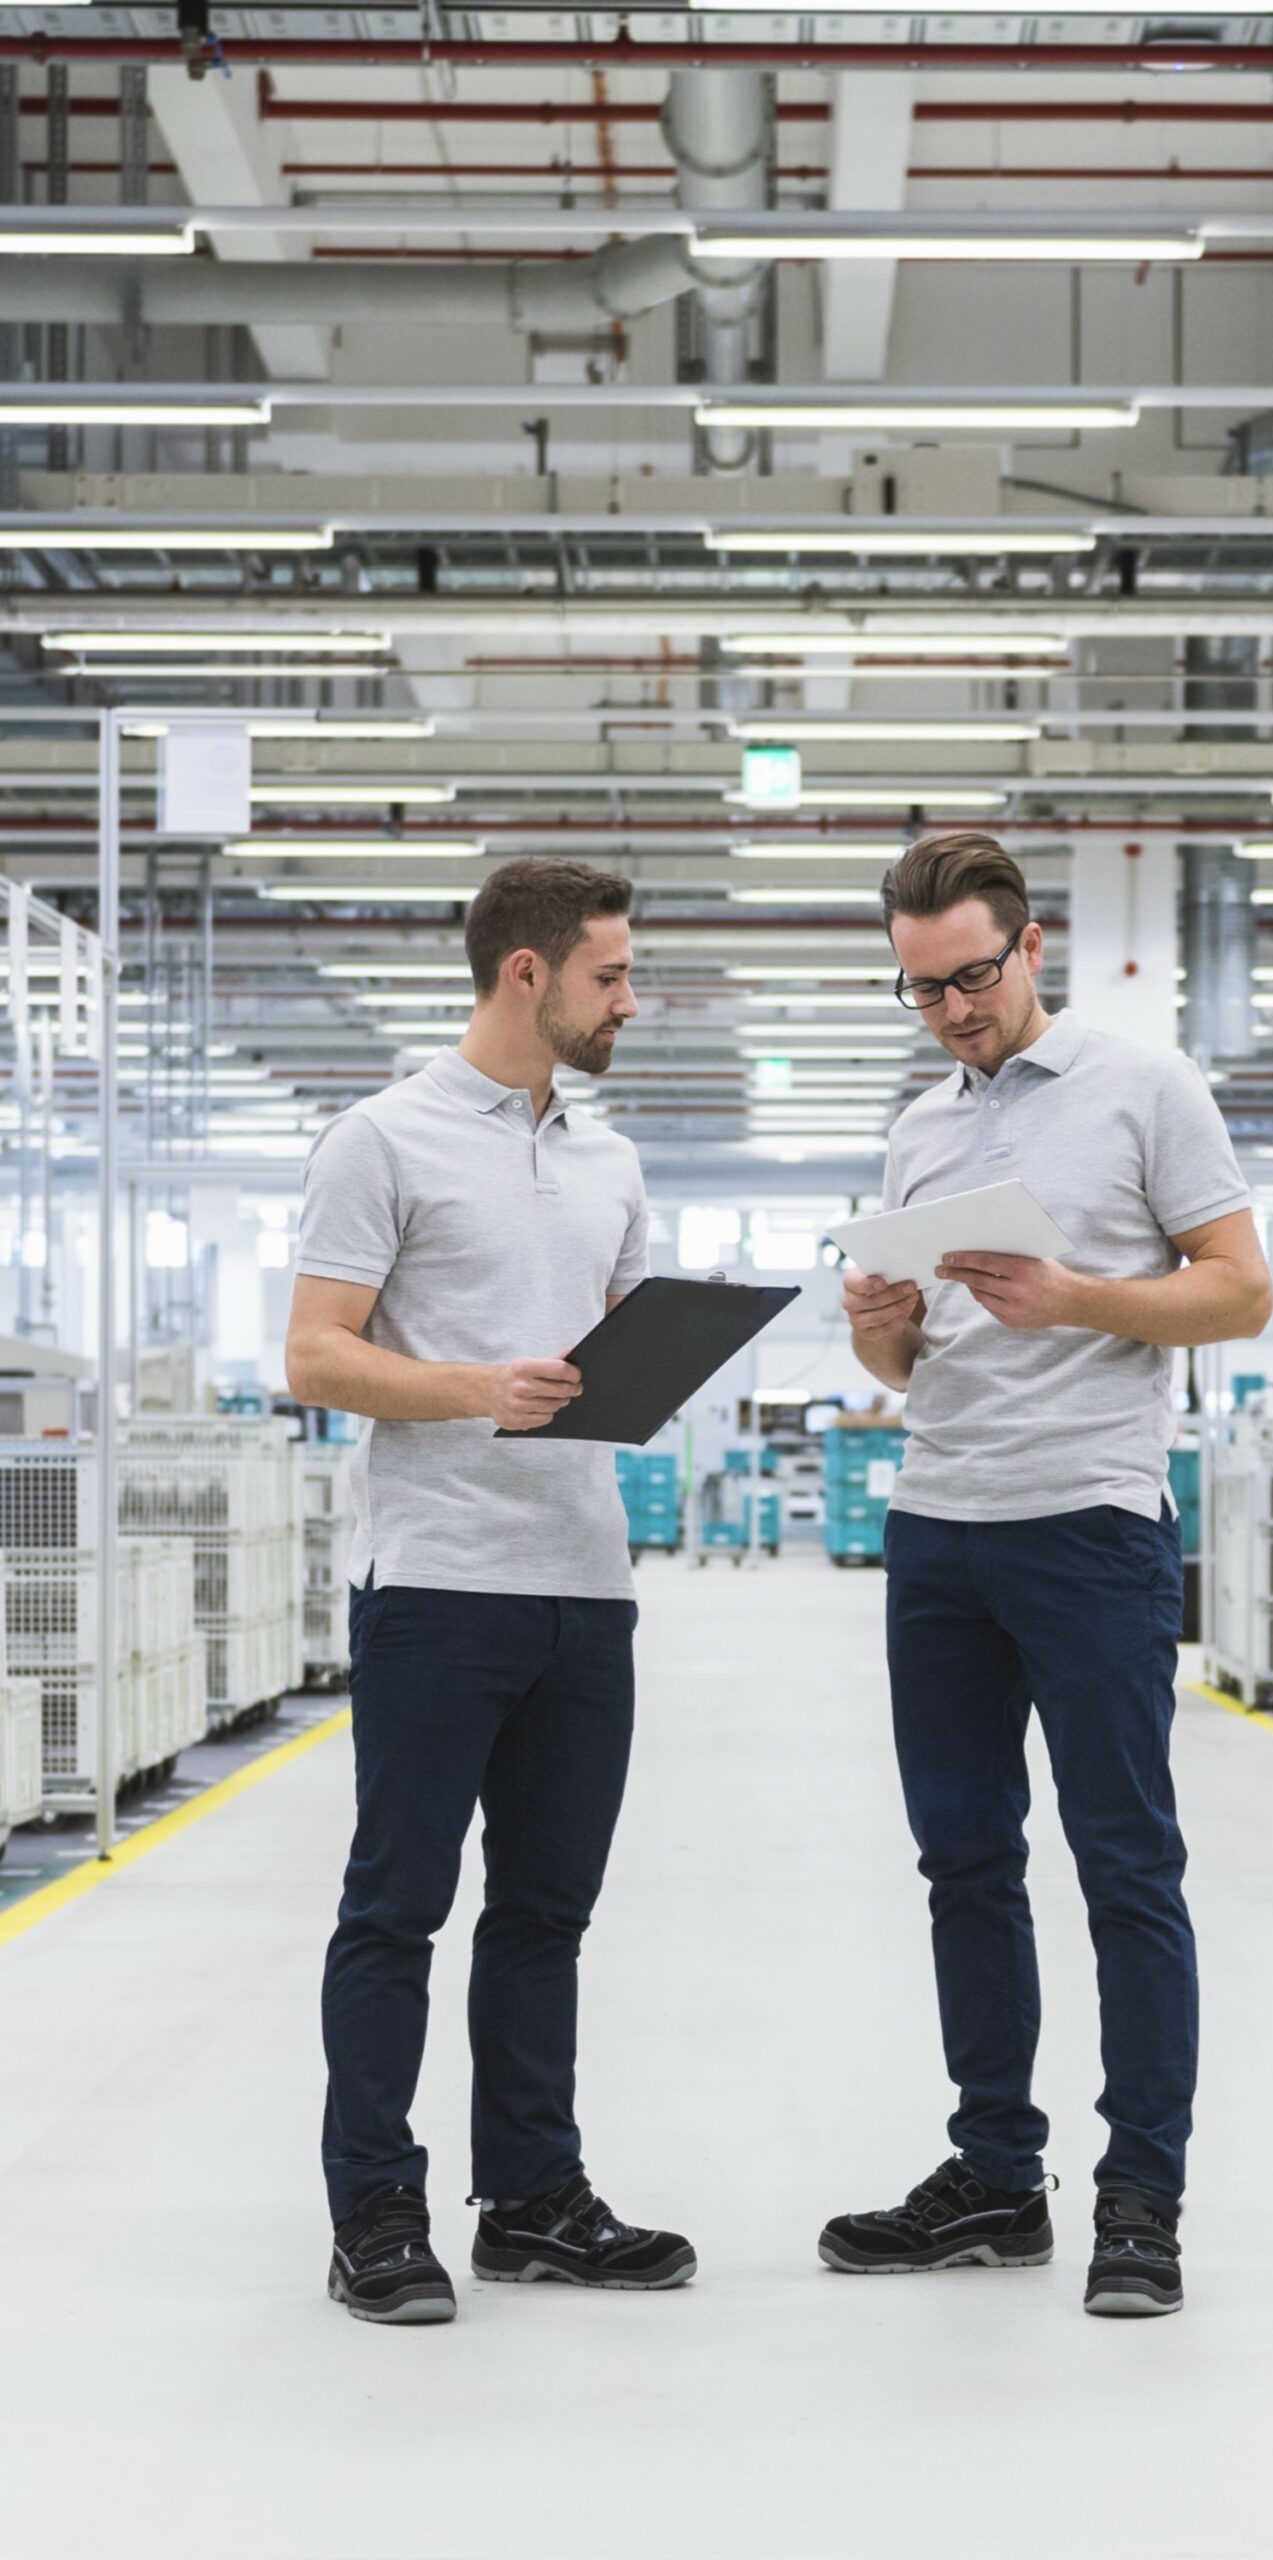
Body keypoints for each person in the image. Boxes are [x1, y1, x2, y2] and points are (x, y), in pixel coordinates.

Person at [818, 829, 1272, 2317]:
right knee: (965, 1867)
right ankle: (998, 2180)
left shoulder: (1146, 1089)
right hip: (940, 1530)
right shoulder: (919, 1130)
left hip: (1089, 1525)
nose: (951, 1010)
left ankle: (1143, 2194)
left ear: (1031, 949)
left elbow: (1240, 1289)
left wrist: (1076, 1294)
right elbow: (898, 1367)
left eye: (970, 977)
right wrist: (879, 1318)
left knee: (1126, 1865)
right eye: (920, 990)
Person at [287, 857, 695, 2326]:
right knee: (396, 1909)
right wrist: (477, 1390)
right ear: (525, 973)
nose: (629, 1001)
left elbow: (603, 1353)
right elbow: (319, 1355)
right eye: (611, 976)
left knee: (545, 1914)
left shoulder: (609, 1159)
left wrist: (651, 1367)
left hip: (585, 1581)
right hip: (440, 1580)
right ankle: (376, 2215)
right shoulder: (381, 1140)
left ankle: (531, 2201)